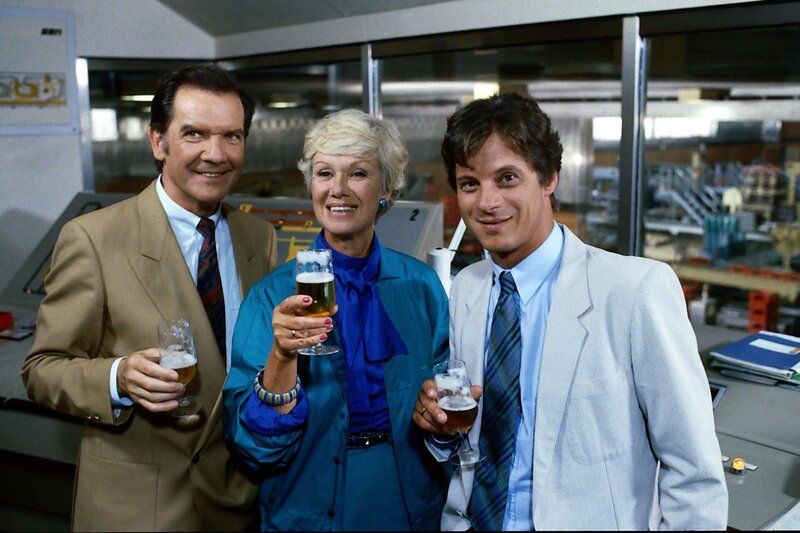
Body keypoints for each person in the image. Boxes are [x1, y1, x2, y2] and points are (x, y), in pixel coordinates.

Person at [413, 92, 729, 530]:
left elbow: (695, 474)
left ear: (549, 178)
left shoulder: (634, 291)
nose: (486, 202)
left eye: (507, 178)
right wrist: (442, 429)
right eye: (470, 184)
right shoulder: (467, 287)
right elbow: (477, 443)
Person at [21, 65, 277, 531]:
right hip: (140, 505)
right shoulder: (93, 238)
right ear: (158, 142)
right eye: (194, 134)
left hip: (237, 498)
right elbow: (42, 369)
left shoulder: (259, 238)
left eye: (232, 136)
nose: (215, 154)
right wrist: (118, 377)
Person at [222, 109, 451, 531]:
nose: (337, 189)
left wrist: (440, 416)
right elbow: (253, 448)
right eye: (324, 173)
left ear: (387, 189)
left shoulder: (421, 287)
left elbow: (445, 411)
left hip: (407, 498)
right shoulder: (272, 296)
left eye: (358, 173)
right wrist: (282, 357)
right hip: (308, 501)